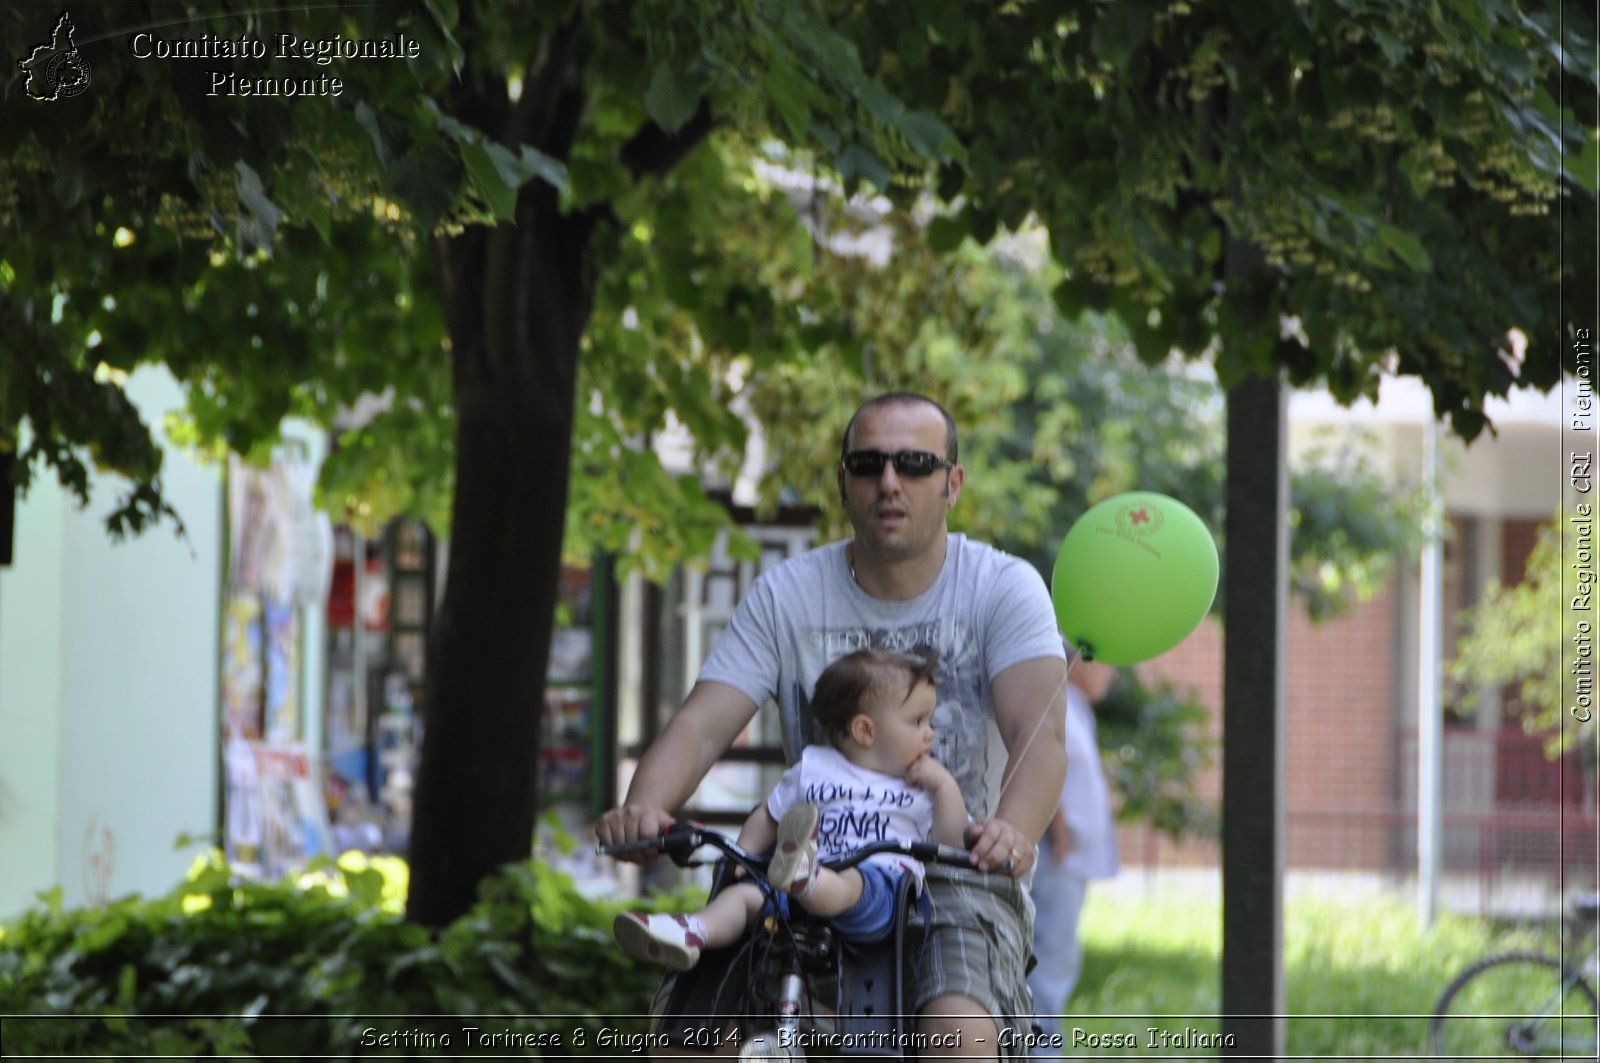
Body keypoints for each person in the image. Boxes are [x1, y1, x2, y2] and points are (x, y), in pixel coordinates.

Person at [597, 391, 1069, 1060]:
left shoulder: (1002, 585)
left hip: (952, 869)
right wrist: (644, 807)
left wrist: (1011, 834)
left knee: (958, 1038)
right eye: (868, 462)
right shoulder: (787, 592)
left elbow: (1041, 738)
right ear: (844, 482)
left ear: (952, 482)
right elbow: (703, 724)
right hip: (800, 859)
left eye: (914, 463)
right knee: (686, 1041)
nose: (890, 481)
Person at [613, 648, 969, 971]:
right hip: (799, 893)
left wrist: (945, 787)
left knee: (852, 884)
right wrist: (742, 858)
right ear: (864, 730)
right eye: (918, 722)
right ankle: (691, 931)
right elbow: (769, 816)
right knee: (744, 898)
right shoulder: (815, 768)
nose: (930, 734)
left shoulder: (922, 785)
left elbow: (952, 843)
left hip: (882, 889)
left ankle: (805, 876)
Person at [1027, 657, 1120, 1043]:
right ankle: (1041, 1051)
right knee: (1050, 961)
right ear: (1081, 663)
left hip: (1071, 859)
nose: (1112, 674)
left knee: (1057, 959)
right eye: (1107, 665)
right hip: (1057, 857)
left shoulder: (1077, 708)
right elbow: (1047, 767)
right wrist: (1060, 828)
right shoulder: (1059, 704)